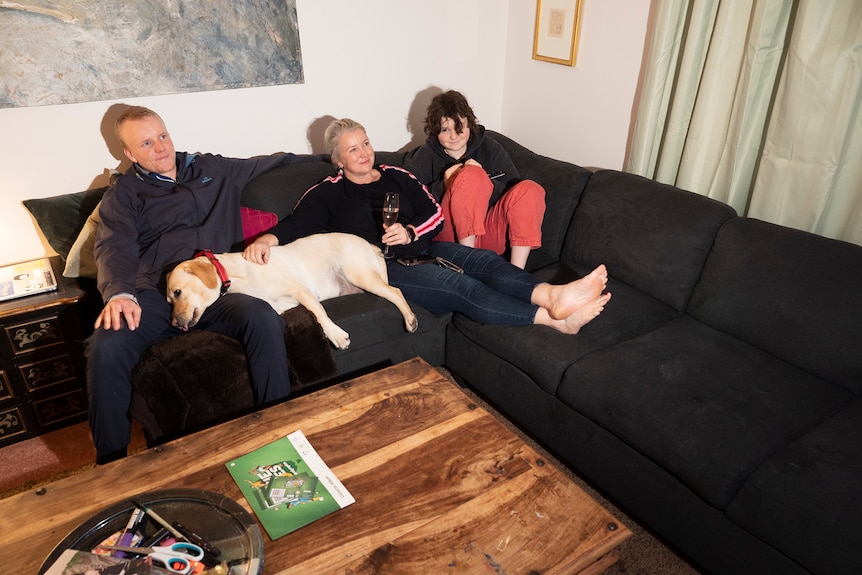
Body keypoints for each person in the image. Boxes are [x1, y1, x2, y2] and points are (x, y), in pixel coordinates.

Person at [244, 118, 610, 337]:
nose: (364, 152)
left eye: (366, 143)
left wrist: (411, 232)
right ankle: (554, 320)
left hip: (422, 247)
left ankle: (552, 296)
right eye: (352, 149)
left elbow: (434, 212)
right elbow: (296, 224)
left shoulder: (398, 176)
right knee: (462, 287)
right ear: (338, 159)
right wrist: (266, 239)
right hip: (379, 267)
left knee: (486, 264)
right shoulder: (327, 193)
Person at [88, 106, 303, 464]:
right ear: (128, 154)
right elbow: (114, 245)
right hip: (156, 293)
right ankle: (111, 464)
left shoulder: (212, 169)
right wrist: (119, 292)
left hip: (216, 286)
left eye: (162, 135)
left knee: (262, 316)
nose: (160, 147)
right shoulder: (124, 193)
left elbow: (269, 162)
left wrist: (335, 157)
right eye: (146, 143)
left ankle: (278, 431)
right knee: (107, 345)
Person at [404, 90, 546, 269]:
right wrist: (444, 186)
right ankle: (468, 262)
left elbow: (513, 193)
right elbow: (410, 206)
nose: (454, 136)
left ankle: (517, 272)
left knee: (530, 189)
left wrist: (485, 181)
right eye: (445, 129)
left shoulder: (490, 147)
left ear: (470, 124)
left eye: (459, 126)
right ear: (434, 130)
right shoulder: (422, 157)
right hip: (449, 236)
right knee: (471, 175)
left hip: (488, 231)